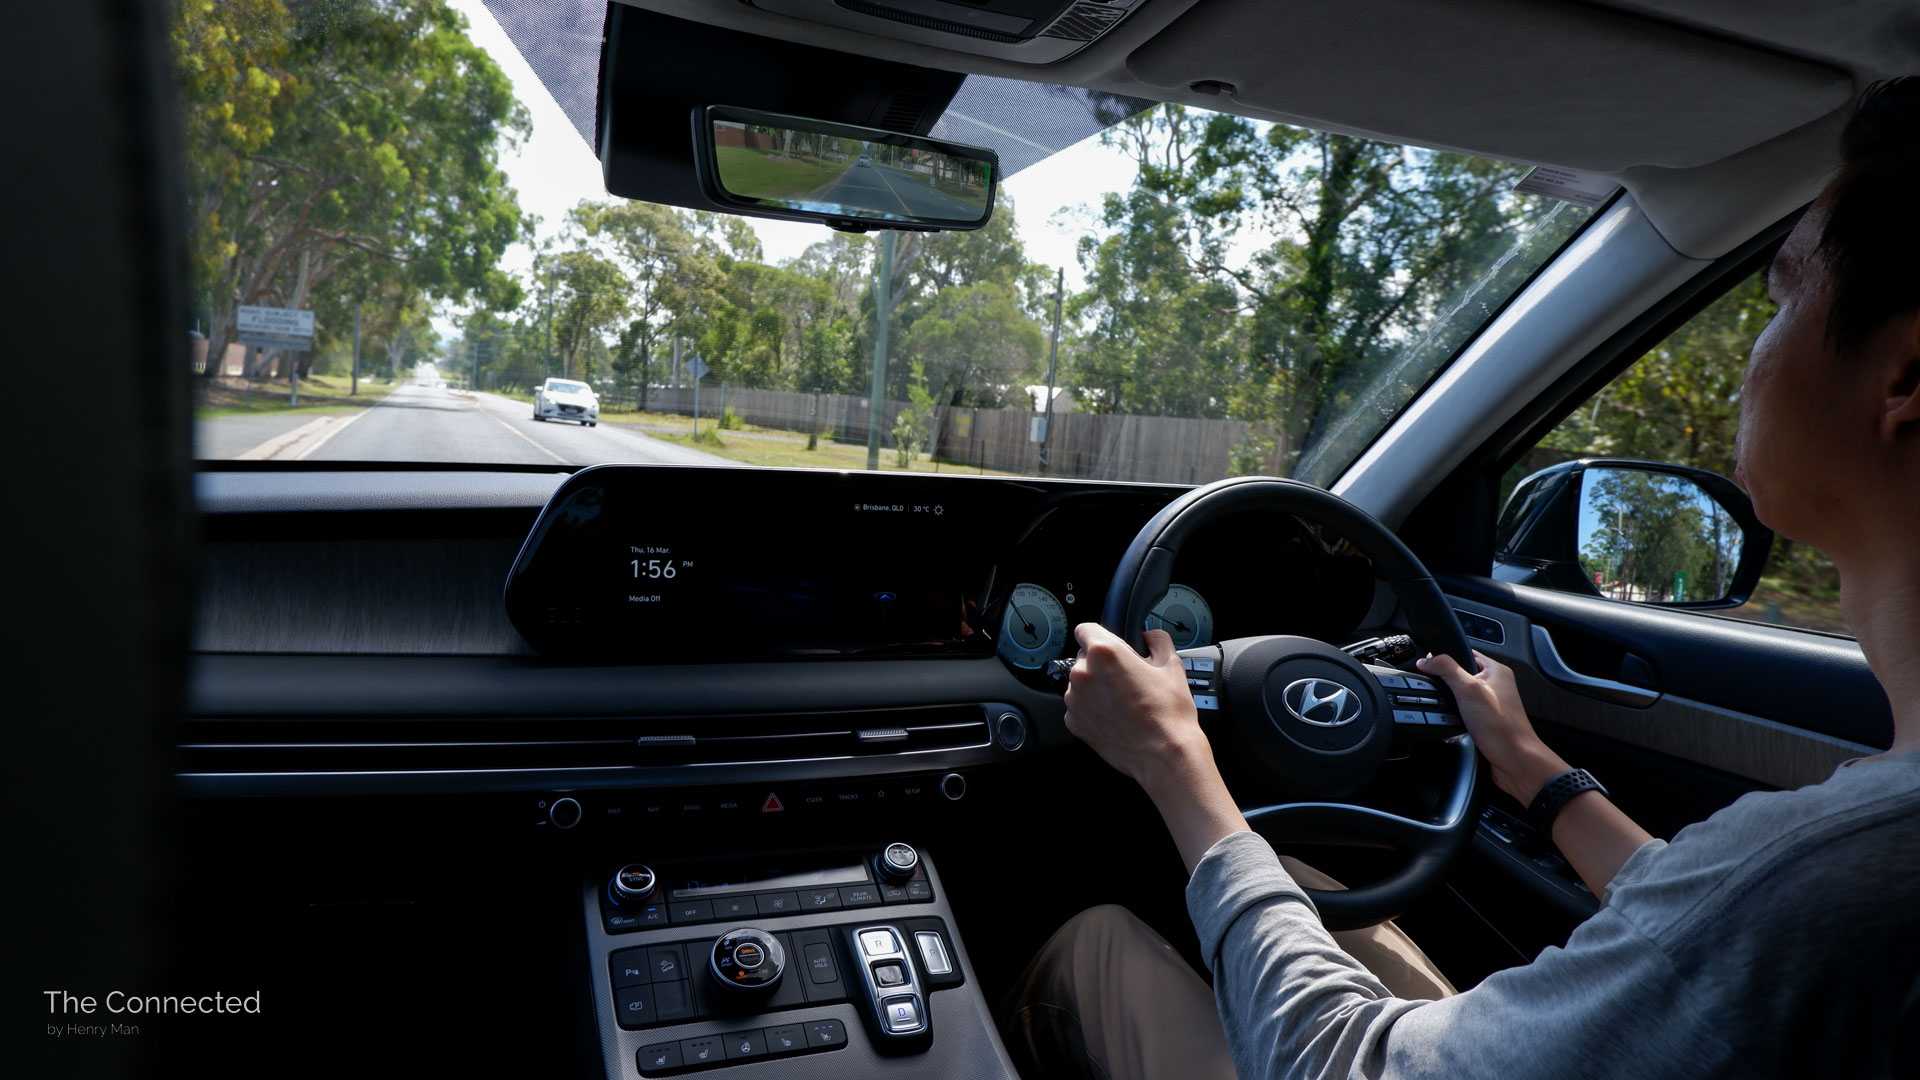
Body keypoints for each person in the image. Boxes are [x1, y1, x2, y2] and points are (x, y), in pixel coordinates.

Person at [1003, 77, 1920, 1080]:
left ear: (1907, 379)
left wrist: (1175, 761)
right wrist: (1532, 765)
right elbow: (1703, 918)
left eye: (1782, 293)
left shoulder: (1835, 871)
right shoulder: (1845, 859)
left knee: (1093, 940)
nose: (1755, 353)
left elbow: (1335, 1061)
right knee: (1298, 882)